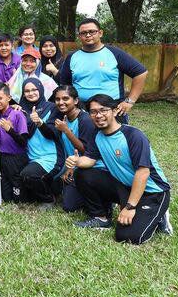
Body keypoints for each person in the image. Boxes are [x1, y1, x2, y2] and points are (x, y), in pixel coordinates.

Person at [67, 94, 172, 243]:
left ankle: (159, 215)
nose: (98, 115)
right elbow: (90, 160)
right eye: (93, 112)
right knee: (83, 174)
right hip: (125, 187)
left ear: (115, 111)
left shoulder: (133, 136)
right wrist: (77, 161)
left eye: (103, 110)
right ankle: (101, 218)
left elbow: (143, 173)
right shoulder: (97, 135)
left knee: (127, 237)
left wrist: (129, 207)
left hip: (152, 192)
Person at [59, 18, 148, 120]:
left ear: (100, 33)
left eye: (92, 31)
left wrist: (130, 101)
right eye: (83, 33)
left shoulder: (115, 53)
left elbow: (140, 73)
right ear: (79, 36)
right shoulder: (72, 57)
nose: (88, 35)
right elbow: (65, 85)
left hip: (112, 109)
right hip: (81, 110)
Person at [53, 84, 102, 213]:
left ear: (75, 101)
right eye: (57, 99)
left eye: (65, 98)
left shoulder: (85, 120)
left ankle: (102, 196)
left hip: (90, 167)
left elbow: (86, 151)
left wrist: (66, 131)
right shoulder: (64, 118)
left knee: (69, 205)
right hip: (73, 165)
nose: (61, 102)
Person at [18, 78, 60, 205]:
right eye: (27, 91)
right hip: (29, 157)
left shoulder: (52, 108)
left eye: (34, 89)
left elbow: (52, 134)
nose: (31, 93)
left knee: (28, 175)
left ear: (41, 90)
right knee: (22, 197)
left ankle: (48, 199)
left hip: (49, 157)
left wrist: (40, 123)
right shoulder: (20, 110)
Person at [0, 83, 29, 202]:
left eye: (0, 98)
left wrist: (10, 130)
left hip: (16, 158)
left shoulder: (17, 114)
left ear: (9, 98)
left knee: (18, 198)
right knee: (6, 197)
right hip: (2, 157)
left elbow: (23, 142)